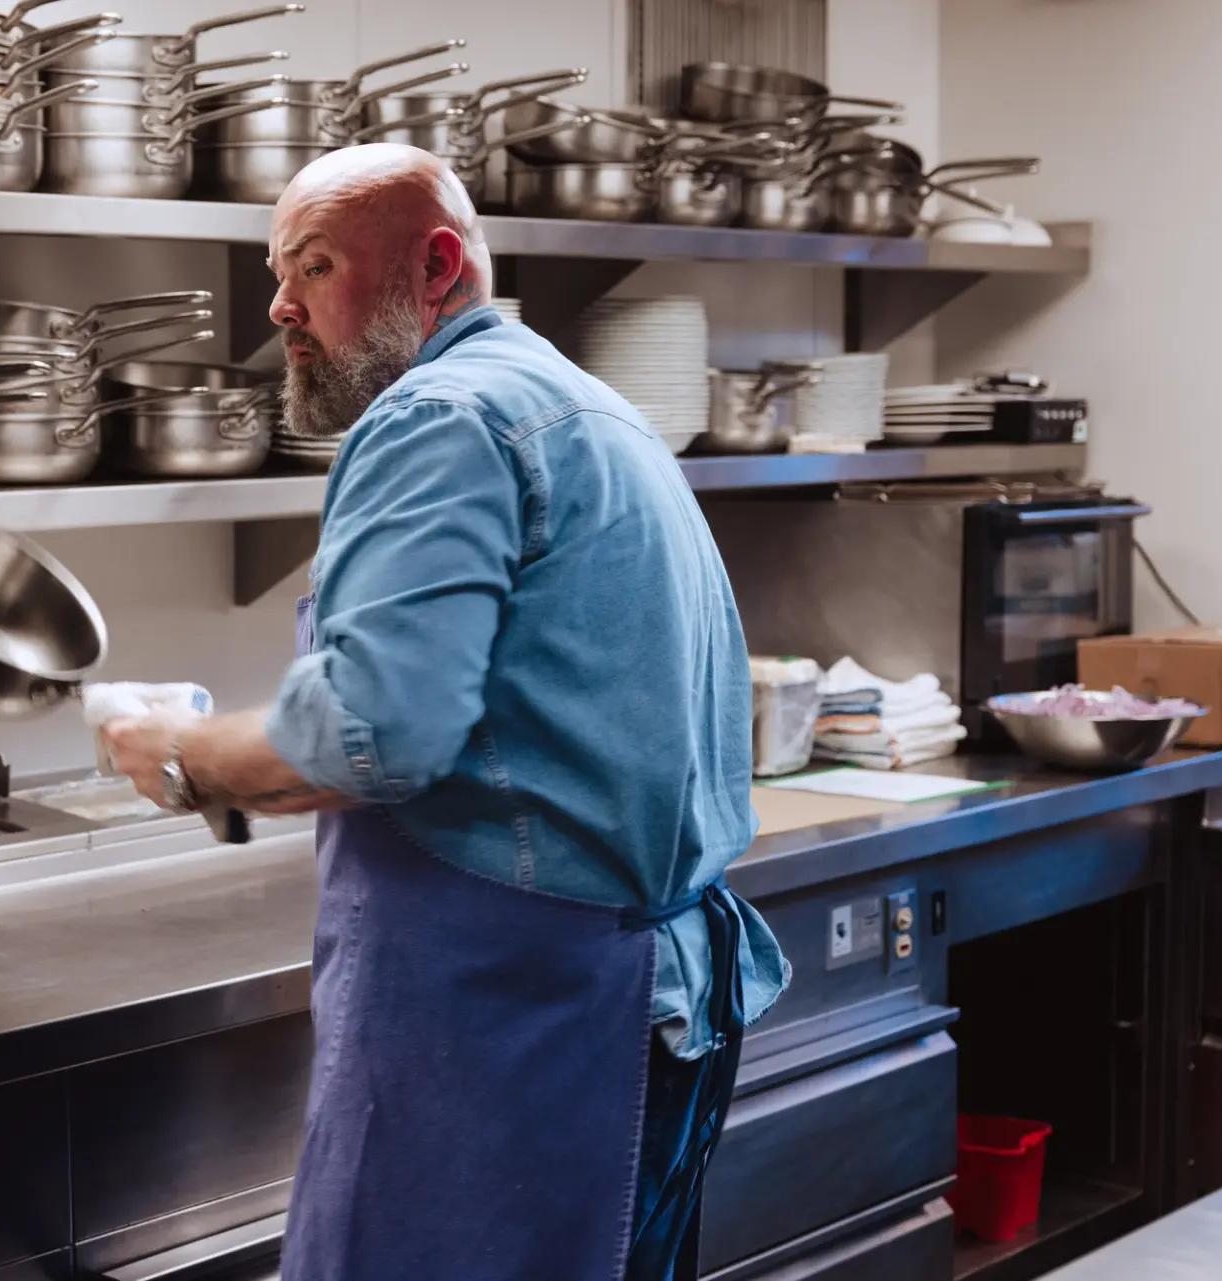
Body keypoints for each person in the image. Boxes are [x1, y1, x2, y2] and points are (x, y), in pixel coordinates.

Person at [100, 143, 789, 1281]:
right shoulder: (580, 404)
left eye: (315, 267)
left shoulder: (441, 418)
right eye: (279, 273)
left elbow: (375, 733)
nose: (280, 307)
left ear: (434, 266)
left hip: (515, 1021)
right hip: (644, 1004)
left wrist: (186, 755)